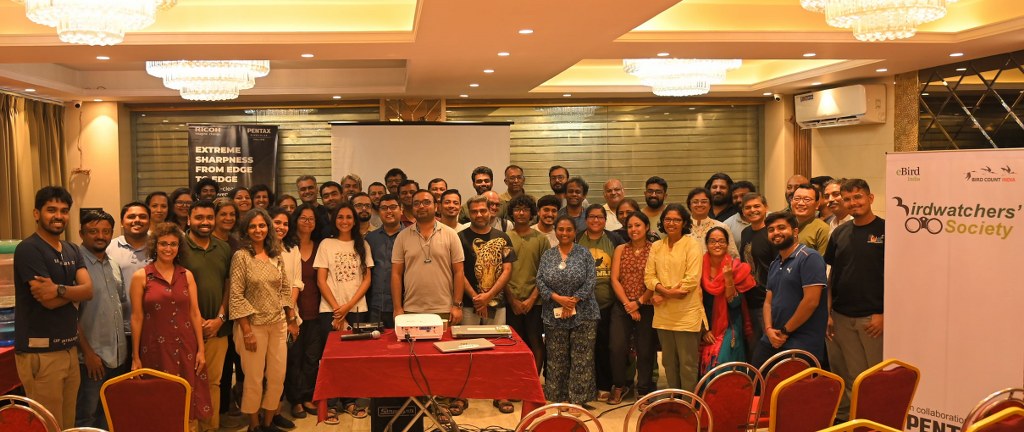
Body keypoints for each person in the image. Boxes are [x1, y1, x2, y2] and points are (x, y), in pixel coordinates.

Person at [14, 186, 92, 429]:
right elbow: (46, 302)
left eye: (64, 211)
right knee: (48, 424)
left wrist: (59, 289)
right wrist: (73, 292)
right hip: (41, 352)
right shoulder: (29, 249)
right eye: (51, 210)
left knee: (66, 423)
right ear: (36, 213)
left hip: (69, 349)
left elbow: (89, 290)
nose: (59, 216)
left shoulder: (72, 249)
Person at [130, 222, 212, 425]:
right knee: (158, 400)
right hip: (155, 348)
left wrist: (201, 350)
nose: (168, 248)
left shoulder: (187, 275)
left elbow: (194, 313)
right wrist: (135, 357)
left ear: (179, 247)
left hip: (186, 347)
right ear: (155, 246)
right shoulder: (142, 276)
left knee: (187, 401)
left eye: (173, 244)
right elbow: (136, 317)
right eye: (163, 243)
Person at [228, 209, 298, 432]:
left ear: (268, 227)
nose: (258, 230)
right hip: (253, 326)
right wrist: (246, 330)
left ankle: (268, 423)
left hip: (278, 324)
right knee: (254, 379)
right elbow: (236, 295)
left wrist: (291, 317)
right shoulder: (242, 257)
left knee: (278, 376)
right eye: (253, 226)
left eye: (262, 225)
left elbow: (285, 288)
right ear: (246, 230)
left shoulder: (275, 254)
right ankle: (254, 425)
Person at [824, 179, 885, 422]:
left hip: (873, 319)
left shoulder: (886, 230)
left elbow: (896, 278)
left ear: (870, 199)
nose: (853, 203)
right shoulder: (839, 232)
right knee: (849, 375)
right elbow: (832, 275)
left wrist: (883, 312)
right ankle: (849, 422)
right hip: (840, 316)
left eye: (858, 197)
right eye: (847, 199)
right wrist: (827, 313)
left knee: (874, 377)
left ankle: (876, 422)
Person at [314, 202, 374, 421]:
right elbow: (321, 280)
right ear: (334, 220)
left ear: (355, 221)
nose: (345, 221)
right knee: (330, 358)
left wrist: (347, 308)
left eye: (349, 217)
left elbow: (367, 279)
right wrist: (338, 311)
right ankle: (330, 403)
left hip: (357, 309)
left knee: (352, 358)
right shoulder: (326, 244)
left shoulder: (363, 245)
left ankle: (349, 401)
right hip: (328, 310)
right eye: (340, 217)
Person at [459, 195, 517, 414]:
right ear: (469, 213)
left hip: (498, 304)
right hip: (468, 303)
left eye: (483, 210)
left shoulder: (503, 237)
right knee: (464, 352)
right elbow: (458, 272)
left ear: (491, 211)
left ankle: (500, 393)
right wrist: (477, 297)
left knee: (499, 350)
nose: (479, 215)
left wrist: (488, 296)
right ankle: (461, 396)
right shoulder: (460, 237)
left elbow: (507, 270)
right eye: (474, 211)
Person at [180, 200, 234, 432]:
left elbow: (228, 286)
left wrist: (220, 318)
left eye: (209, 218)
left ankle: (210, 428)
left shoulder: (223, 248)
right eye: (199, 218)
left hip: (217, 328)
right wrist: (197, 320)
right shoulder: (178, 247)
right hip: (184, 329)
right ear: (189, 219)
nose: (205, 222)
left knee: (213, 382)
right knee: (187, 382)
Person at [750, 212, 828, 368]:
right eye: (771, 230)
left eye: (781, 228)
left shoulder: (809, 258)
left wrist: (785, 332)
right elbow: (767, 303)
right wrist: (768, 329)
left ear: (795, 231)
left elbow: (811, 302)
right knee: (755, 380)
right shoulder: (775, 263)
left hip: (801, 341)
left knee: (791, 390)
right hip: (772, 338)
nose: (776, 233)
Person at [536, 215, 598, 408]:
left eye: (568, 229)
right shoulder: (548, 255)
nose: (564, 233)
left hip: (584, 313)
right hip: (554, 313)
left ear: (574, 232)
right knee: (556, 357)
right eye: (560, 229)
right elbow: (540, 281)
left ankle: (578, 400)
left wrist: (573, 301)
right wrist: (558, 298)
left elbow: (591, 280)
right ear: (555, 230)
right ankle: (557, 397)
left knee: (582, 358)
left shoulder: (584, 253)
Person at [75, 211, 129, 429]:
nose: (100, 236)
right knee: (85, 415)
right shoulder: (75, 266)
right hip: (91, 358)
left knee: (109, 411)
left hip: (117, 355)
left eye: (106, 231)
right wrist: (88, 353)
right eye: (93, 231)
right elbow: (70, 315)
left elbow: (119, 307)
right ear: (81, 233)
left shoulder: (113, 264)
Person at [643, 204, 703, 392]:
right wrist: (665, 292)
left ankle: (689, 404)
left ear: (684, 222)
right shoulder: (656, 246)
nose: (671, 223)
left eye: (676, 219)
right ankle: (675, 402)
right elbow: (649, 276)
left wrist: (663, 294)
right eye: (668, 219)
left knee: (687, 363)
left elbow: (691, 279)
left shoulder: (692, 244)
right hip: (663, 314)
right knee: (668, 362)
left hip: (687, 312)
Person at [576, 204, 623, 403]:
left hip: (609, 303)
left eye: (600, 217)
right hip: (582, 303)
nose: (596, 220)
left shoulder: (614, 239)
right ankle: (586, 386)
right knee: (585, 347)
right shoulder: (577, 238)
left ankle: (605, 385)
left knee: (606, 346)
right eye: (592, 217)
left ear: (605, 220)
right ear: (586, 219)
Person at [608, 211, 657, 403]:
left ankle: (644, 388)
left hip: (646, 305)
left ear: (646, 228)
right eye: (630, 226)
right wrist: (629, 305)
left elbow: (655, 280)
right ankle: (619, 385)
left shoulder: (655, 249)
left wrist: (638, 302)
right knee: (616, 347)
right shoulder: (620, 248)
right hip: (622, 305)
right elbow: (614, 278)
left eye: (637, 225)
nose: (633, 229)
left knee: (646, 348)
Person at [698, 227, 756, 375]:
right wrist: (704, 330)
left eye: (721, 241)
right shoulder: (697, 267)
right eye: (712, 241)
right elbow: (694, 302)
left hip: (729, 323)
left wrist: (729, 278)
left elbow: (734, 303)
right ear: (706, 244)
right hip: (703, 323)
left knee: (722, 360)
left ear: (727, 244)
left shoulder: (737, 267)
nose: (717, 245)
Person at [283, 203, 323, 419]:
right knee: (293, 358)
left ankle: (308, 395)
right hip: (292, 313)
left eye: (312, 219)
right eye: (303, 218)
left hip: (316, 312)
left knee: (311, 357)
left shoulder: (320, 247)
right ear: (295, 220)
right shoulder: (286, 247)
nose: (307, 222)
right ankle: (295, 399)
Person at [504, 195, 549, 376]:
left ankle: (533, 382)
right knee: (514, 343)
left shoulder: (541, 239)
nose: (521, 213)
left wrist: (532, 299)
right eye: (517, 209)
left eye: (525, 209)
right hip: (510, 301)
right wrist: (512, 299)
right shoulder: (505, 238)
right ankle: (517, 380)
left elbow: (544, 273)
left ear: (532, 213)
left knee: (535, 341)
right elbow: (501, 273)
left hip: (535, 302)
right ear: (511, 213)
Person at [269, 208, 303, 427]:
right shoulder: (259, 250)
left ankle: (277, 411)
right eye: (276, 222)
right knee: (266, 370)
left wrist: (290, 316)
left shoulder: (292, 249)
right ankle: (266, 416)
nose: (281, 227)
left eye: (285, 223)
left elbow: (296, 283)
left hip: (289, 315)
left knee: (282, 368)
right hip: (265, 316)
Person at [738, 193, 773, 359]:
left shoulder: (772, 233)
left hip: (768, 302)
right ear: (743, 212)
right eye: (748, 207)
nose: (752, 210)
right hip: (749, 300)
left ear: (765, 207)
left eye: (757, 206)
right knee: (753, 348)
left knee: (767, 348)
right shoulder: (746, 233)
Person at [106, 202, 152, 310]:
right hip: (118, 319)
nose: (137, 220)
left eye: (142, 217)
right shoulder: (109, 248)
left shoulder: (160, 248)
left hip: (153, 318)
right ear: (122, 222)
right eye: (131, 217)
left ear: (149, 221)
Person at [365, 194, 402, 328]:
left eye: (393, 207)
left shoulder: (411, 236)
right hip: (375, 306)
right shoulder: (370, 238)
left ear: (401, 209)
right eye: (384, 208)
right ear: (379, 211)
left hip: (403, 305)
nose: (389, 211)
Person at [687, 188, 739, 257]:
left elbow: (733, 255)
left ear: (710, 205)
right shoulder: (682, 226)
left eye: (704, 202)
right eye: (695, 202)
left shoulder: (722, 227)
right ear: (689, 205)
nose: (699, 204)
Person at [790, 184, 830, 254]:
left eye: (807, 199)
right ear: (791, 202)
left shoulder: (822, 229)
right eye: (797, 199)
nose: (801, 203)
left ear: (817, 204)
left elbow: (822, 262)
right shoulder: (786, 226)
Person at [722, 181, 756, 250]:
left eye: (743, 196)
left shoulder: (768, 218)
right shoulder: (727, 225)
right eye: (735, 197)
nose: (739, 200)